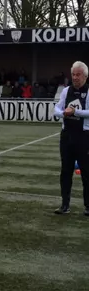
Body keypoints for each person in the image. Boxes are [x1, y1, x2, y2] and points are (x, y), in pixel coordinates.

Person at [53, 61, 89, 215]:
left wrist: (74, 112)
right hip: (66, 136)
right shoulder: (66, 91)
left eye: (78, 74)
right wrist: (63, 113)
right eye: (73, 74)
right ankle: (65, 205)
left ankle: (88, 206)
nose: (75, 77)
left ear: (85, 76)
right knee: (65, 172)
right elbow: (57, 109)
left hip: (84, 137)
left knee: (86, 173)